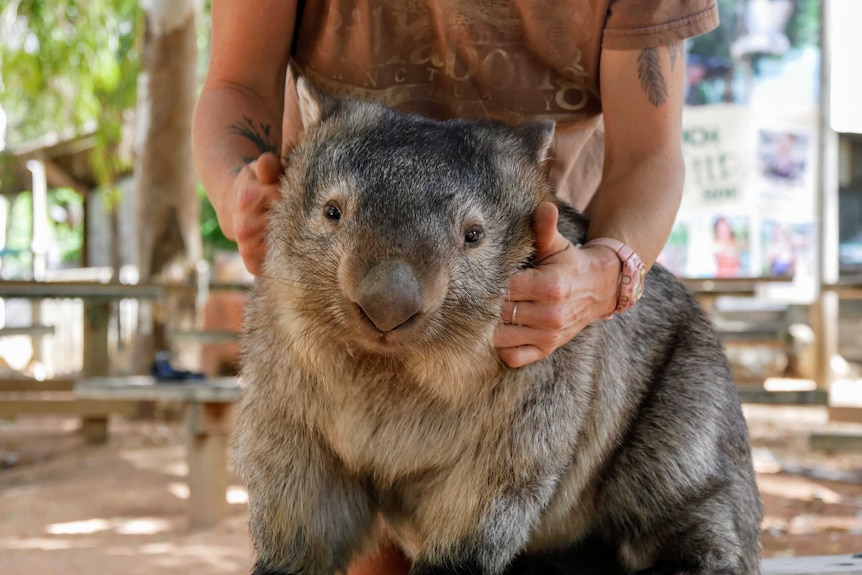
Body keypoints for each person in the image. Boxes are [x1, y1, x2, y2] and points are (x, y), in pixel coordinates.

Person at [192, 2, 719, 573]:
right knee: (304, 529)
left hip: (513, 282)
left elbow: (650, 152)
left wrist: (606, 270)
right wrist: (235, 190)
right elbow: (235, 81)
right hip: (327, 264)